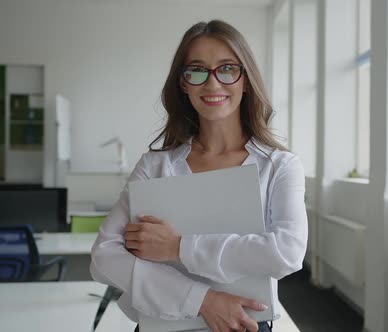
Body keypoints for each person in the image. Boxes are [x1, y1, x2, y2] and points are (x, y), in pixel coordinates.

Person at [90, 20, 308, 332]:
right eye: (196, 70)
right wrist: (203, 300)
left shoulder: (279, 166)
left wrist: (177, 247)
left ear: (246, 80)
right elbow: (104, 257)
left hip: (244, 326)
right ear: (182, 83)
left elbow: (286, 253)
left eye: (227, 68)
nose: (213, 84)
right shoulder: (155, 166)